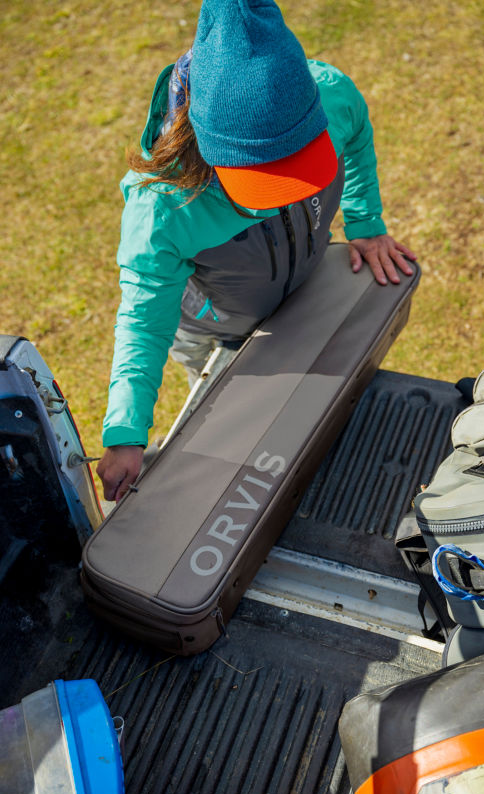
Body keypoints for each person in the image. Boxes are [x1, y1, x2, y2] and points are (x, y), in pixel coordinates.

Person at [97, 0, 416, 502]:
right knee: (232, 431)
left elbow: (355, 137)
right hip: (214, 329)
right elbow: (142, 321)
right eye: (267, 179)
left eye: (299, 165)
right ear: (210, 148)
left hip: (305, 294)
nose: (287, 194)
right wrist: (126, 433)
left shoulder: (332, 94)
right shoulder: (162, 207)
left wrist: (366, 223)